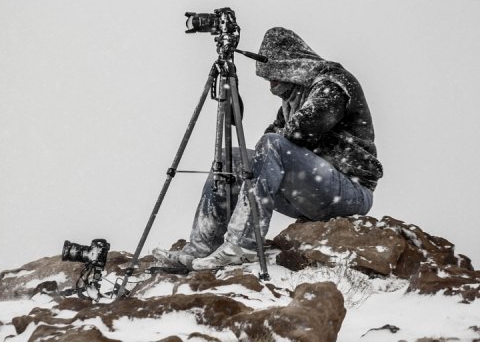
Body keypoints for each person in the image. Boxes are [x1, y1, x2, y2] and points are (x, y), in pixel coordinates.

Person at [153, 27, 383, 270]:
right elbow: (271, 143)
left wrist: (272, 148)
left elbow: (302, 130)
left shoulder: (333, 82)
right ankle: (201, 248)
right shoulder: (293, 99)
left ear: (289, 64)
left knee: (271, 145)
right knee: (230, 157)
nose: (270, 83)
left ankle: (242, 245)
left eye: (272, 74)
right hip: (310, 193)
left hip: (351, 192)